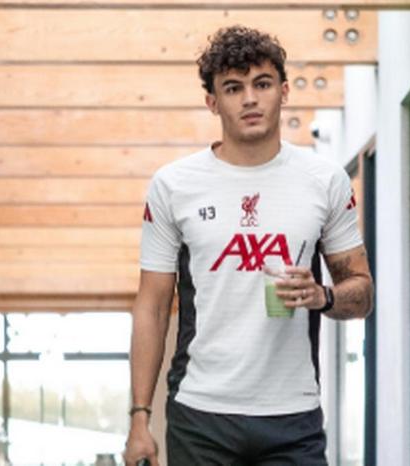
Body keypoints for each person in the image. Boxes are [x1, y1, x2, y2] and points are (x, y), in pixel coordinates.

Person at [123, 25, 374, 466]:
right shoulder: (174, 186)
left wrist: (322, 296)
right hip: (201, 413)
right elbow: (153, 306)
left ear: (284, 91)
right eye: (233, 88)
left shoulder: (325, 181)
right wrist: (139, 416)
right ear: (213, 102)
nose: (250, 99)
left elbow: (362, 293)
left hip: (293, 415)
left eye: (262, 84)